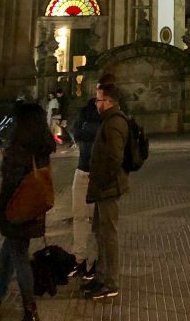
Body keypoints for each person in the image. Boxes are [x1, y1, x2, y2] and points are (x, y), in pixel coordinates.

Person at [0, 102, 55, 321]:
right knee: (7, 258)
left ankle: (30, 309)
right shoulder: (42, 148)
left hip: (16, 212)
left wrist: (2, 211)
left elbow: (10, 184)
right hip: (33, 210)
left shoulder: (18, 149)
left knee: (19, 259)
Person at [83, 83, 128, 300]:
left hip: (108, 187)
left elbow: (114, 158)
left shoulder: (114, 123)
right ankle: (100, 277)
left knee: (109, 235)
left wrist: (102, 181)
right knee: (100, 233)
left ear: (108, 102)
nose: (96, 103)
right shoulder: (109, 121)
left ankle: (111, 282)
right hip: (104, 186)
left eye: (98, 100)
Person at [70, 72, 117, 275]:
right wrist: (93, 132)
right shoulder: (88, 108)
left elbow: (110, 139)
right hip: (82, 169)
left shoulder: (114, 114)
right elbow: (75, 131)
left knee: (101, 223)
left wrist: (89, 131)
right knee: (80, 217)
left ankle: (99, 264)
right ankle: (79, 259)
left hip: (102, 175)